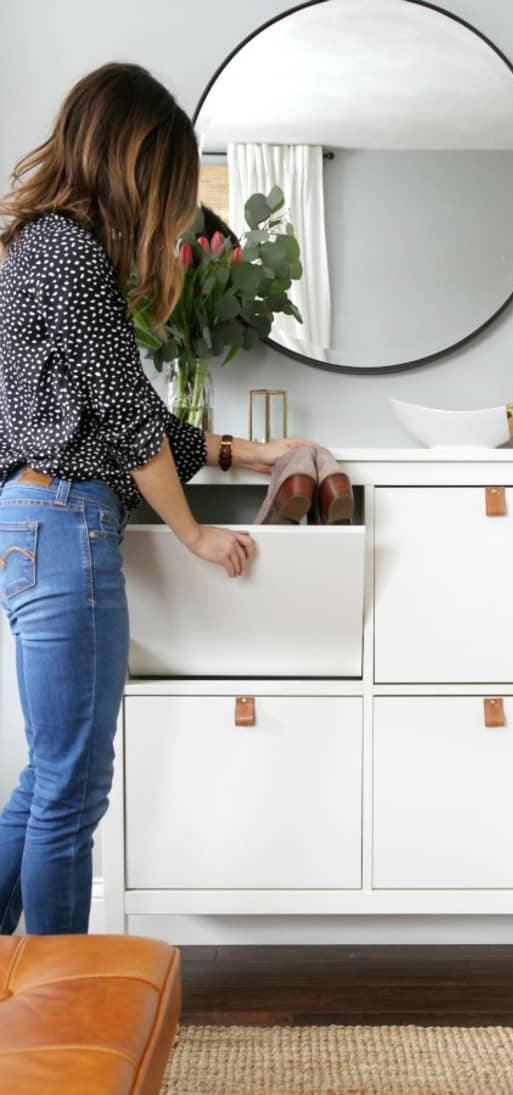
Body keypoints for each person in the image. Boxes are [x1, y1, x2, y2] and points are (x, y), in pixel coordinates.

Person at [0, 62, 315, 935]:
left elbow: (115, 411)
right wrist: (193, 535)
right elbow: (132, 416)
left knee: (49, 774)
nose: (170, 209)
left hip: (40, 517)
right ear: (134, 162)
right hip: (66, 522)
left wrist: (232, 449)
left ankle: (22, 985)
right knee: (72, 784)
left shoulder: (44, 246)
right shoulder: (67, 253)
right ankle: (62, 1006)